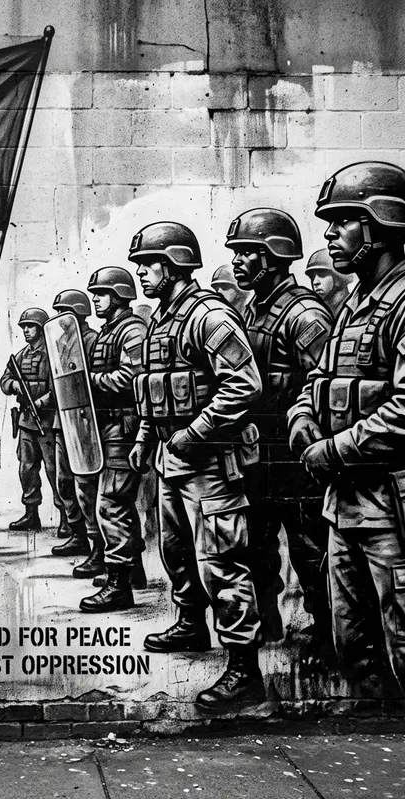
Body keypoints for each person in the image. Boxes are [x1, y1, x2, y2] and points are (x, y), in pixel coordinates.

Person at [128, 221, 265, 709]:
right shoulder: (159, 321)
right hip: (171, 458)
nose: (143, 273)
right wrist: (147, 438)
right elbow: (153, 388)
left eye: (150, 264)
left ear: (177, 264)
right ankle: (191, 626)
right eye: (140, 265)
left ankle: (245, 669)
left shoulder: (209, 316)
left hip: (209, 464)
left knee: (221, 563)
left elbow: (244, 384)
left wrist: (193, 434)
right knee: (176, 552)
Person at [288, 161, 405, 694]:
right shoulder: (353, 305)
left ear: (380, 224)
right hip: (345, 504)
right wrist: (303, 424)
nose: (330, 235)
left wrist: (330, 451)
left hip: (393, 508)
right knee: (352, 644)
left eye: (342, 222)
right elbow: (315, 383)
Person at [226, 208, 333, 645]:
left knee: (311, 553)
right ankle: (268, 627)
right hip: (259, 456)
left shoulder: (305, 313)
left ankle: (328, 636)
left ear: (272, 257)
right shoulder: (252, 309)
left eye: (248, 253)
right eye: (236, 252)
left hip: (297, 461)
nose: (237, 261)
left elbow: (326, 386)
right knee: (256, 549)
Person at [76, 267, 147, 612]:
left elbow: (132, 377)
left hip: (124, 428)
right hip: (107, 428)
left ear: (119, 295)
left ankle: (120, 585)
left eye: (101, 294)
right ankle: (132, 574)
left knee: (113, 503)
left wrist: (91, 381)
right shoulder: (110, 331)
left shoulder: (132, 330)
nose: (96, 300)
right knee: (115, 503)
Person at [0, 308, 62, 532]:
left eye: (30, 326)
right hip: (26, 421)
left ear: (42, 327)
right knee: (27, 469)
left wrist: (42, 403)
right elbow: (5, 380)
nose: (26, 330)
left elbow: (60, 386)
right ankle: (31, 514)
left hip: (47, 422)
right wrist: (14, 385)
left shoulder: (54, 353)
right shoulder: (21, 356)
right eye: (23, 326)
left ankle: (66, 518)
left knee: (55, 470)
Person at [49, 289, 100, 556]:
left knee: (86, 485)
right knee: (65, 482)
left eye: (63, 311)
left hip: (83, 422)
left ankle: (96, 545)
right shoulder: (60, 343)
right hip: (62, 421)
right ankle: (77, 534)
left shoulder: (91, 340)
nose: (58, 317)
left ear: (78, 312)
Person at [305, 248, 354, 319]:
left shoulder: (353, 309)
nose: (315, 282)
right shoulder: (318, 311)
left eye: (322, 274)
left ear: (338, 277)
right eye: (312, 277)